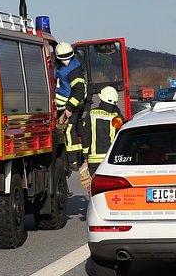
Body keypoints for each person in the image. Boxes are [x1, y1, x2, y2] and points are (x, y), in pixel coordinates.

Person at [53, 42, 87, 171]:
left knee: (69, 130)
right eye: (63, 58)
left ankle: (73, 161)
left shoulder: (74, 70)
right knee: (73, 130)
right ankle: (77, 159)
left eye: (67, 57)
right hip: (66, 104)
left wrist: (69, 108)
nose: (66, 60)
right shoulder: (62, 66)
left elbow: (78, 91)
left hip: (72, 105)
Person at [81, 86, 124, 177]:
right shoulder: (118, 117)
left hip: (94, 160)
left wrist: (85, 156)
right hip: (111, 159)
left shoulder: (91, 113)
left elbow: (86, 136)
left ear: (101, 99)